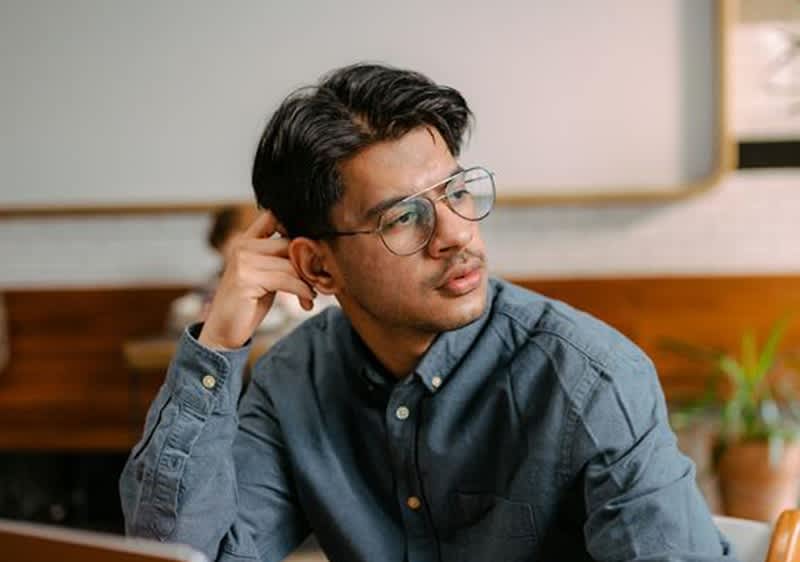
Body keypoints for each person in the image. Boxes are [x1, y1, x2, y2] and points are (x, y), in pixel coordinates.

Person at [119, 64, 735, 562]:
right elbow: (185, 557)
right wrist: (219, 343)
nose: (456, 234)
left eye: (458, 190)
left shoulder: (591, 380)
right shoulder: (293, 382)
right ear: (318, 267)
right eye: (404, 217)